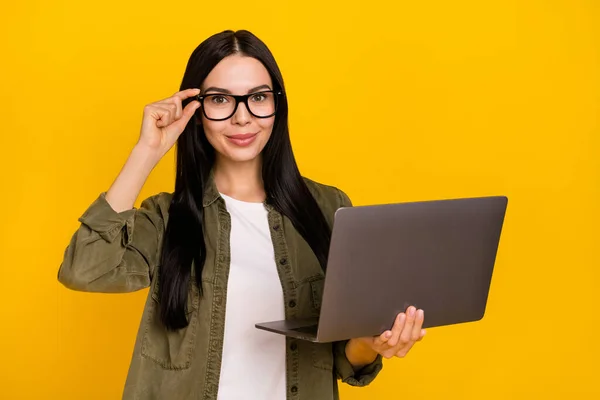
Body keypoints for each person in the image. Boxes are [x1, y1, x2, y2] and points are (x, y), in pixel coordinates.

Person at [58, 29, 426, 400]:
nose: (242, 118)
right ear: (196, 110)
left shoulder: (329, 209)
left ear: (277, 105)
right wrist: (146, 153)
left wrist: (372, 343)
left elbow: (344, 359)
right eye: (220, 99)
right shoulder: (166, 218)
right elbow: (84, 267)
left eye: (258, 98)